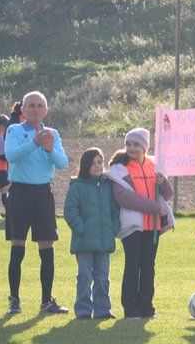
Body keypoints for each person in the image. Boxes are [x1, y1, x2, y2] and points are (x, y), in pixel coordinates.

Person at [4, 91, 70, 315]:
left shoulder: (53, 134)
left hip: (42, 193)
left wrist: (49, 149)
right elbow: (11, 156)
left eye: (39, 105)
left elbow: (62, 163)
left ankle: (46, 301)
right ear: (22, 110)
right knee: (17, 248)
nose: (35, 109)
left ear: (46, 110)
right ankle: (14, 300)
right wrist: (34, 143)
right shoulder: (14, 130)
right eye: (30, 105)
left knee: (47, 248)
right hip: (20, 193)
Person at [107, 128, 174, 318]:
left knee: (148, 266)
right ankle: (130, 308)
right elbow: (124, 198)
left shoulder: (155, 165)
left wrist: (163, 183)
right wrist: (153, 207)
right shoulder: (120, 169)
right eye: (128, 144)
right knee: (133, 265)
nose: (131, 148)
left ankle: (146, 307)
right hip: (132, 227)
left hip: (153, 227)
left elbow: (168, 195)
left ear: (145, 147)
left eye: (136, 144)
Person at [64, 148, 120, 320]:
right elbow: (70, 211)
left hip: (104, 241)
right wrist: (81, 229)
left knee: (103, 278)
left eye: (100, 162)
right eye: (94, 162)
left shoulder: (107, 186)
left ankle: (103, 310)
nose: (98, 166)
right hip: (85, 242)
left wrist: (113, 229)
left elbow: (114, 211)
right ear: (86, 164)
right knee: (85, 276)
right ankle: (83, 310)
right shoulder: (77, 186)